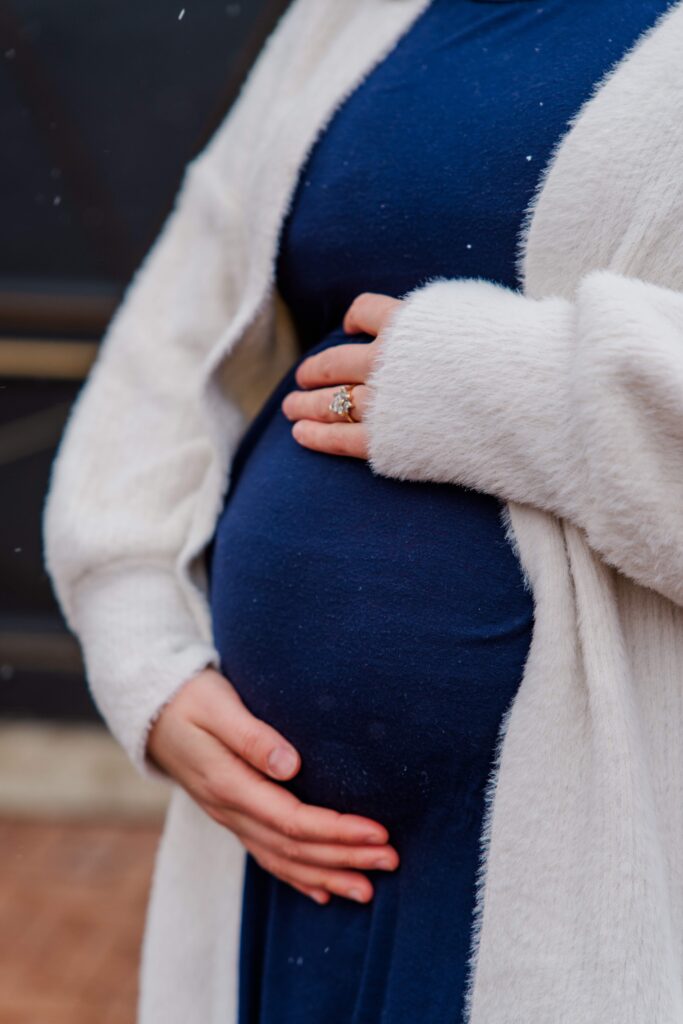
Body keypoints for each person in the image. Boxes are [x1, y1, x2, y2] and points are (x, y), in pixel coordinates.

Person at [42, 1, 683, 1022]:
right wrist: (139, 643)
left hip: (574, 864)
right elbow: (174, 328)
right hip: (274, 853)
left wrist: (507, 384)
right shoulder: (348, 13)